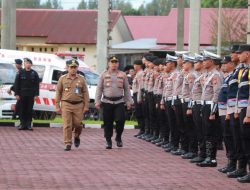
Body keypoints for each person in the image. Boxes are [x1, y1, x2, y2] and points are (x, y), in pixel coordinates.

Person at [95, 56, 133, 149]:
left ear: (118, 64)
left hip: (119, 102)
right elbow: (99, 89)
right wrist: (97, 101)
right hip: (107, 102)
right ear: (109, 63)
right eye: (112, 62)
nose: (114, 64)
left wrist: (129, 101)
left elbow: (127, 89)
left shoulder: (122, 74)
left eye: (116, 62)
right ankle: (108, 140)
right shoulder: (103, 75)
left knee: (120, 120)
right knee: (108, 123)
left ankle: (118, 137)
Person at [55, 59, 89, 151]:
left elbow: (85, 93)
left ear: (77, 68)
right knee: (67, 125)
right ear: (67, 68)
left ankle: (77, 136)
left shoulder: (81, 79)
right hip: (66, 104)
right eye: (71, 67)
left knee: (78, 124)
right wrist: (57, 106)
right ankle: (68, 143)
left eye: (75, 67)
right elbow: (58, 92)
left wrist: (86, 106)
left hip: (78, 105)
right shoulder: (62, 78)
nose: (73, 69)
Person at [196, 51, 222, 167]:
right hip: (205, 105)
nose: (203, 63)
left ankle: (212, 158)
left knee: (210, 132)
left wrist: (213, 111)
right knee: (205, 132)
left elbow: (217, 93)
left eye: (205, 61)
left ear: (211, 62)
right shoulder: (207, 75)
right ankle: (207, 156)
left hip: (211, 106)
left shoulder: (215, 75)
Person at [235, 44, 250, 183]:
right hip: (242, 108)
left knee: (248, 139)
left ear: (247, 54)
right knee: (244, 139)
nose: (238, 56)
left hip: (248, 110)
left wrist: (248, 114)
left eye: (241, 53)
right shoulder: (245, 70)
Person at [14, 58, 40, 130]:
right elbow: (17, 84)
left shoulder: (34, 73)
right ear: (24, 64)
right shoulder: (20, 72)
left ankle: (28, 125)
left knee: (29, 110)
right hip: (22, 94)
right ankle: (22, 124)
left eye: (29, 63)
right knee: (22, 109)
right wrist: (17, 94)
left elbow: (37, 85)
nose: (28, 64)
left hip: (31, 95)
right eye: (26, 63)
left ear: (31, 64)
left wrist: (36, 95)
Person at [132, 60, 145, 137]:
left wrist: (139, 97)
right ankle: (141, 129)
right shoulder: (138, 74)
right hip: (136, 94)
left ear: (138, 66)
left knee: (140, 113)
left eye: (135, 65)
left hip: (138, 94)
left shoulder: (140, 74)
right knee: (138, 113)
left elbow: (140, 87)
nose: (134, 66)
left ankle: (142, 129)